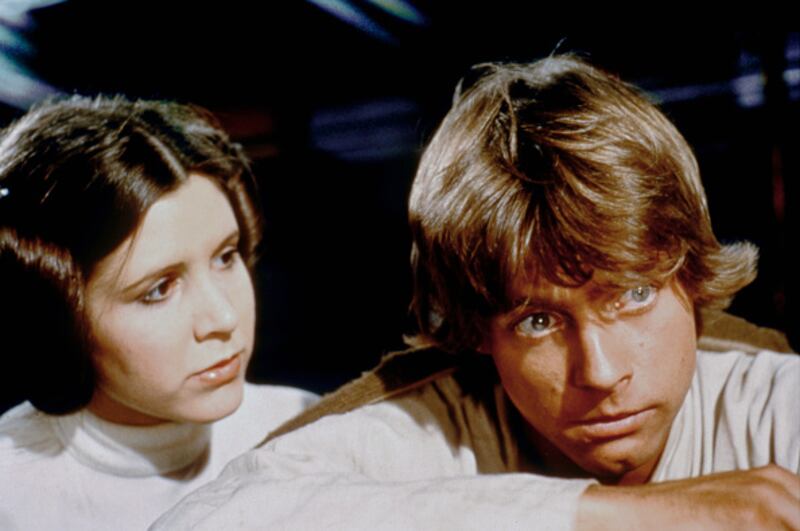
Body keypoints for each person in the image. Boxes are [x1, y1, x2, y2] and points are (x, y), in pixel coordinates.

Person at [154, 55, 799, 529]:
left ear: (691, 275)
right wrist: (615, 517)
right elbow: (204, 521)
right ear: (481, 334)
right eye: (538, 322)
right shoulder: (442, 423)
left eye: (633, 294)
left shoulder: (775, 404)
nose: (601, 374)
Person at [0, 96, 317, 530]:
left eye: (226, 256)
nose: (223, 319)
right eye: (159, 289)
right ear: (62, 321)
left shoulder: (307, 429)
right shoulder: (11, 497)